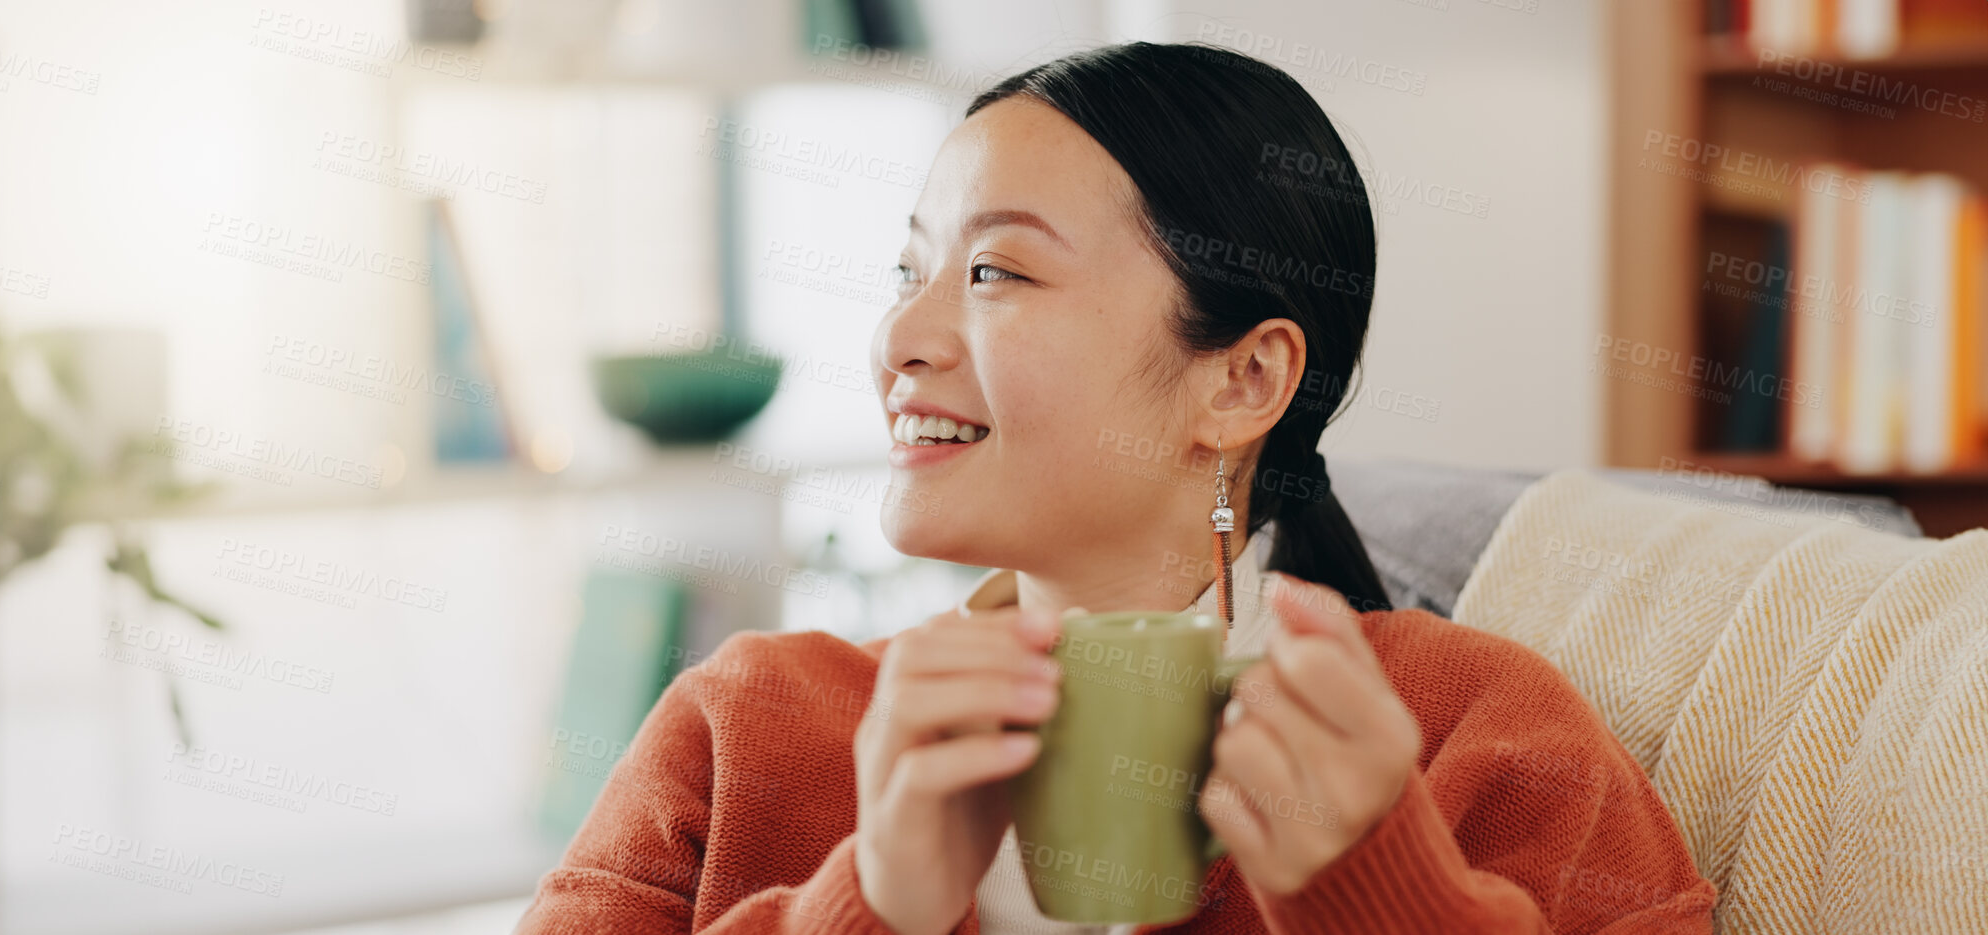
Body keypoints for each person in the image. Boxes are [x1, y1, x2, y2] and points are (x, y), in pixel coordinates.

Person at [517, 41, 1717, 935]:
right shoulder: (746, 727)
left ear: (1244, 379)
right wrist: (873, 902)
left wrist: (1380, 892)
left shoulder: (1477, 738)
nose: (899, 337)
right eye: (909, 268)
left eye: (993, 269)